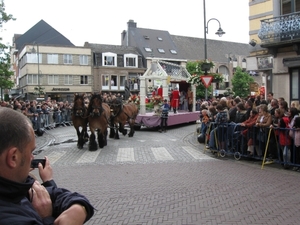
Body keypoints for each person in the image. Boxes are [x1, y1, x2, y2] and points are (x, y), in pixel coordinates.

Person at [0, 107, 94, 224]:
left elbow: (53, 194)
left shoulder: (17, 185)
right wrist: (46, 218)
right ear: (14, 157)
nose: (32, 158)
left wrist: (79, 207)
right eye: (31, 152)